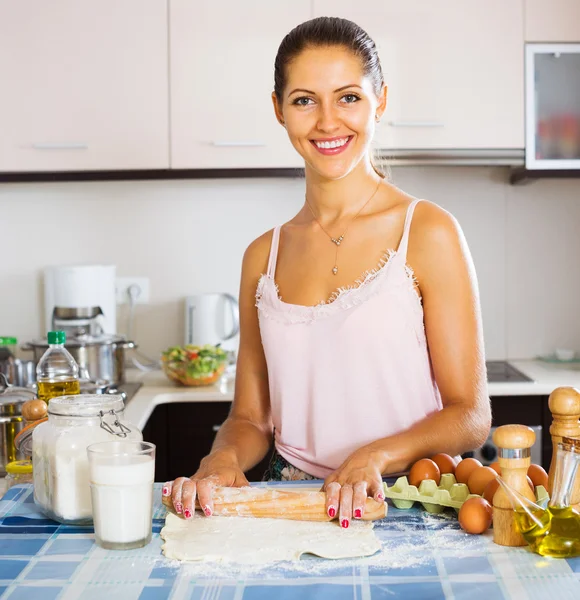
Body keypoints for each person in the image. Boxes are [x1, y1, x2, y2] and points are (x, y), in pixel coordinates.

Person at [163, 16, 491, 528]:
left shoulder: (426, 231)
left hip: (407, 501)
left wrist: (375, 455)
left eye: (348, 97)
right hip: (292, 501)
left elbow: (469, 414)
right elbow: (250, 418)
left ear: (380, 99)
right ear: (278, 110)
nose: (327, 121)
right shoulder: (262, 256)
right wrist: (221, 458)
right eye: (304, 100)